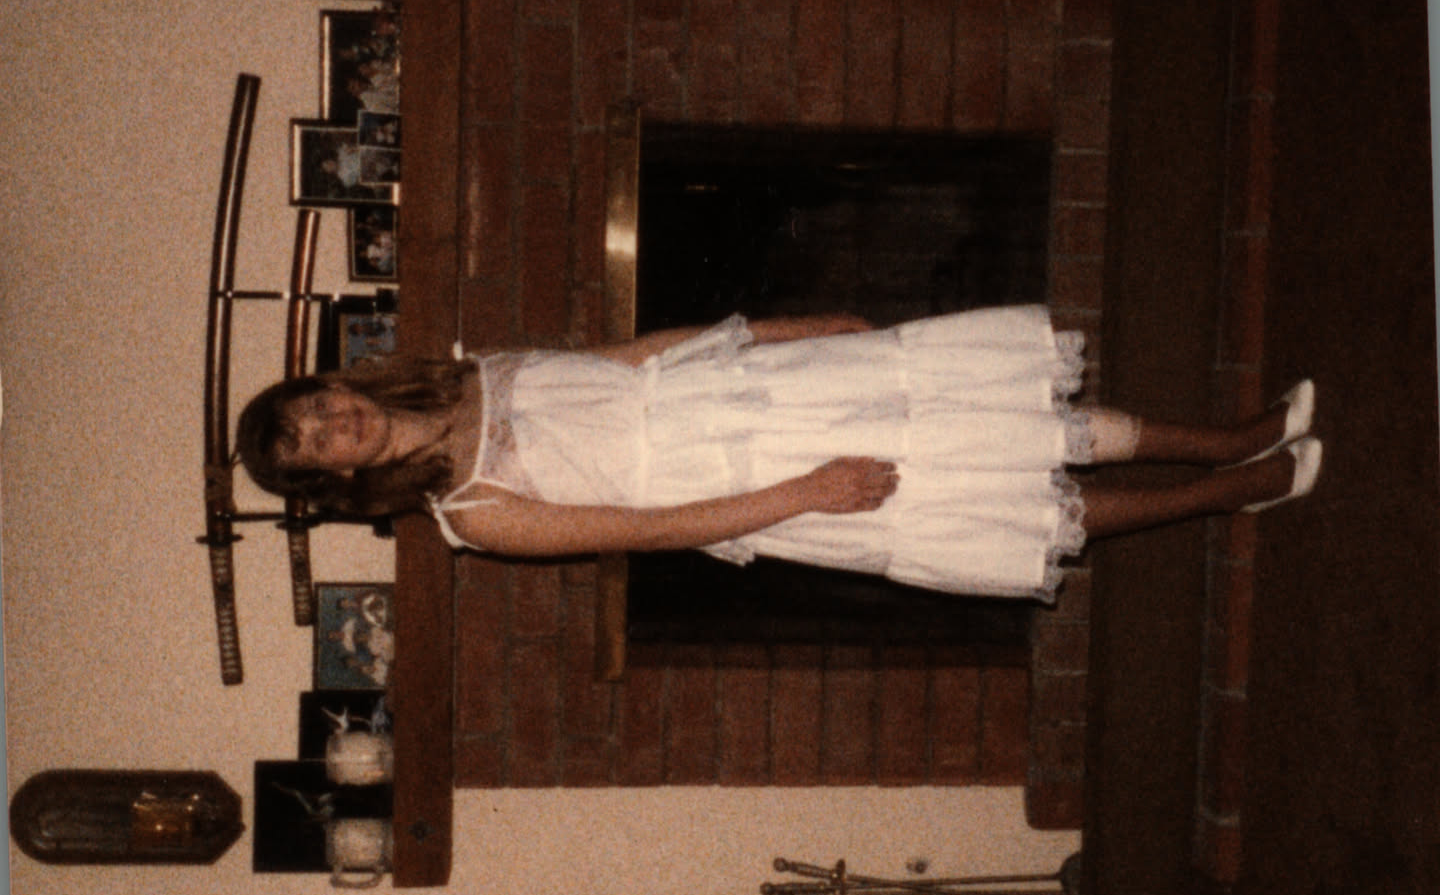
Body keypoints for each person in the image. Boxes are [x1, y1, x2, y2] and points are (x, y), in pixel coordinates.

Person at [236, 310, 1320, 596]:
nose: (334, 425)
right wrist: (808, 489)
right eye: (314, 447)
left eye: (315, 407)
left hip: (763, 389)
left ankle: (1232, 436)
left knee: (1008, 416)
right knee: (1011, 504)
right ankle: (1229, 492)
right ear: (338, 480)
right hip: (752, 487)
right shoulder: (471, 513)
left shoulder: (471, 370)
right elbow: (655, 531)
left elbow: (636, 358)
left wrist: (783, 330)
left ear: (334, 383)